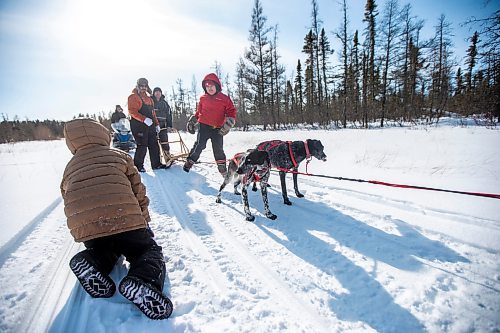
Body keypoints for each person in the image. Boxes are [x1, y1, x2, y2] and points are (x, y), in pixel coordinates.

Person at [60, 118, 173, 320]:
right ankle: (143, 279)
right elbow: (138, 189)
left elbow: (67, 197)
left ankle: (91, 260)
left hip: (91, 228)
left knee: (105, 249)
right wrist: (143, 221)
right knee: (146, 250)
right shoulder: (119, 155)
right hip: (125, 216)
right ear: (104, 135)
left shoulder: (69, 167)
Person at [183, 73, 237, 176]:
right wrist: (192, 121)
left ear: (217, 86)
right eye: (207, 86)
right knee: (200, 145)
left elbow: (231, 111)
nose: (210, 88)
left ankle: (222, 169)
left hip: (218, 129)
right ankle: (189, 162)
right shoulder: (203, 98)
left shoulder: (224, 98)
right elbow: (199, 112)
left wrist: (229, 123)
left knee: (218, 149)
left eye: (211, 86)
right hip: (204, 126)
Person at [128, 78, 167, 172]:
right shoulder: (133, 97)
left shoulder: (149, 98)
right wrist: (144, 119)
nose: (143, 88)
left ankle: (156, 164)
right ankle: (138, 165)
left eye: (145, 86)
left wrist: (156, 124)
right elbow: (132, 111)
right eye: (141, 86)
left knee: (154, 144)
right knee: (142, 145)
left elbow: (153, 113)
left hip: (150, 125)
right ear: (137, 86)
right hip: (138, 125)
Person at [152, 87, 173, 154]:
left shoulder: (164, 103)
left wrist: (169, 125)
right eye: (156, 92)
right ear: (154, 93)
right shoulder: (150, 101)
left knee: (165, 141)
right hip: (153, 125)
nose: (157, 93)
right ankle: (157, 159)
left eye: (159, 92)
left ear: (161, 93)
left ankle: (167, 156)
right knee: (153, 143)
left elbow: (169, 114)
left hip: (163, 124)